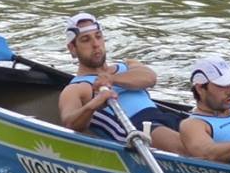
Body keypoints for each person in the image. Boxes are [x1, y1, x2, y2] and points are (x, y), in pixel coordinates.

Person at [56, 12, 185, 152]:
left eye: (98, 37)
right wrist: (94, 104)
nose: (95, 44)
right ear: (73, 49)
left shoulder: (128, 65)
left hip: (165, 117)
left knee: (203, 136)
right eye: (86, 40)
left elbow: (150, 78)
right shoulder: (76, 88)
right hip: (136, 130)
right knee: (187, 148)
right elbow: (70, 123)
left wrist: (112, 79)